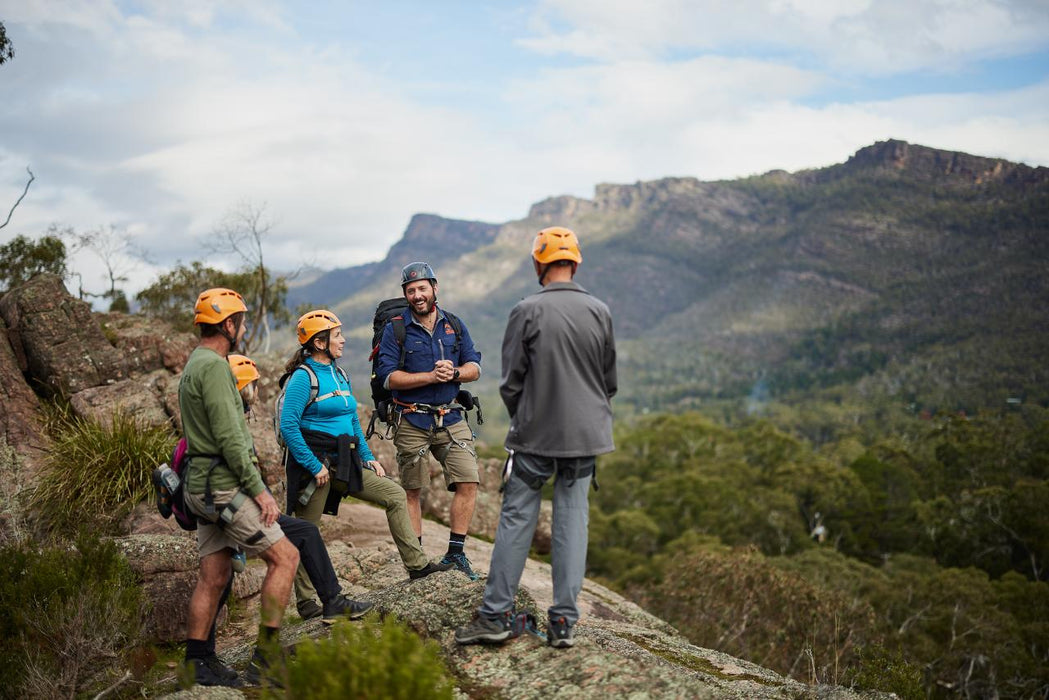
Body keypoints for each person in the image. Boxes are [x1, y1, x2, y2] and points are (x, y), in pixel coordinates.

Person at [179, 289, 369, 688]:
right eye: (242, 321)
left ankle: (198, 661)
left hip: (198, 486)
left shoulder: (193, 364)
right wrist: (259, 491)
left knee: (213, 576)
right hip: (223, 488)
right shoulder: (214, 367)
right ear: (228, 325)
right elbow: (231, 437)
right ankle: (264, 660)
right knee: (284, 557)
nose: (244, 328)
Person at [455, 227, 617, 649]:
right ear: (575, 262)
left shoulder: (526, 310)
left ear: (538, 263)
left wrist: (527, 418)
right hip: (586, 436)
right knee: (572, 522)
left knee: (517, 519)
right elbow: (608, 382)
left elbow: (511, 382)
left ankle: (495, 616)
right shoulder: (600, 310)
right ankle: (563, 623)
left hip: (535, 436)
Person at [280, 310, 451, 619]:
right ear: (319, 343)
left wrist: (369, 458)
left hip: (345, 460)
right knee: (307, 530)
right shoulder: (303, 378)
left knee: (395, 495)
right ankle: (306, 601)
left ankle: (417, 566)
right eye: (336, 335)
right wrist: (312, 465)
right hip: (314, 465)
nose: (343, 339)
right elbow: (289, 426)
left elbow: (352, 422)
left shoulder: (339, 373)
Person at [375, 262, 484, 580]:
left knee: (469, 481)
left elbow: (474, 366)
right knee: (412, 489)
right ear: (405, 295)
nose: (417, 295)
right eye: (411, 290)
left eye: (422, 288)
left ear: (435, 287)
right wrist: (428, 376)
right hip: (412, 418)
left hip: (451, 416)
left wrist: (456, 373)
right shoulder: (396, 328)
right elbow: (387, 377)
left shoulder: (454, 324)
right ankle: (417, 561)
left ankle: (456, 553)